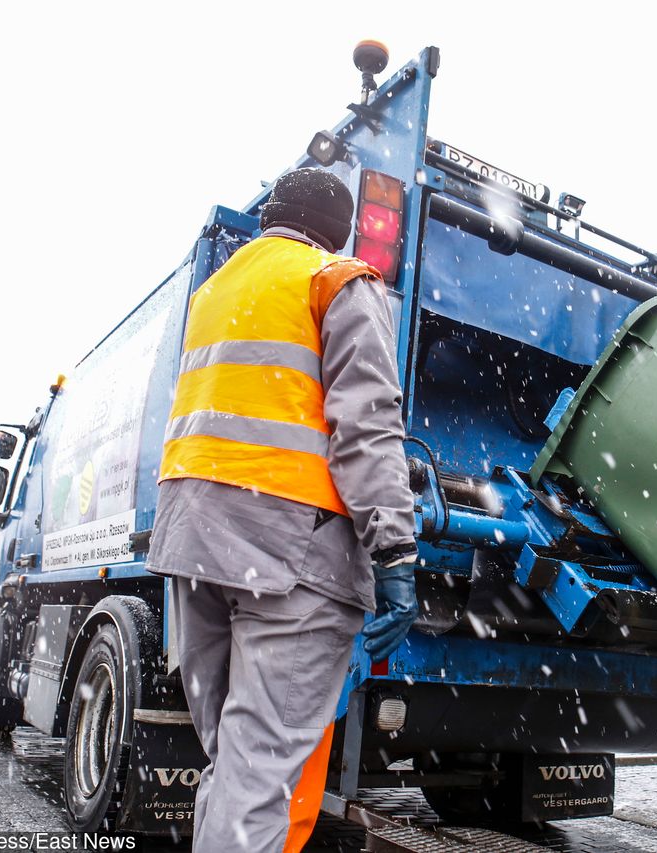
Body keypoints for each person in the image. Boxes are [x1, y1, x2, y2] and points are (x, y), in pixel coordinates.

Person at [148, 167, 418, 852]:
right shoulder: (336, 280)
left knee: (235, 766)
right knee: (259, 771)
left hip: (194, 546)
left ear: (272, 217)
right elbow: (368, 426)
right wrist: (395, 551)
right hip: (292, 553)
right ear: (336, 230)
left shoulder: (217, 289)